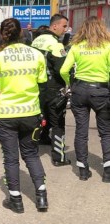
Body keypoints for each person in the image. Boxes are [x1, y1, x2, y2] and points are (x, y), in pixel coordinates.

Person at [0, 18, 48, 213]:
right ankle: (41, 198)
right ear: (22, 33)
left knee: (11, 158)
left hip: (6, 114)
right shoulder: (36, 54)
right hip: (31, 113)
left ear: (1, 33)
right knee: (31, 154)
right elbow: (42, 84)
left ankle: (16, 201)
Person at [60, 16, 110, 182]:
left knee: (81, 131)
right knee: (106, 132)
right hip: (101, 90)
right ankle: (108, 171)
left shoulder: (76, 46)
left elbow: (64, 70)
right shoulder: (107, 46)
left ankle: (82, 169)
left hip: (80, 90)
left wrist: (70, 84)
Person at [31, 14, 71, 167]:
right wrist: (68, 84)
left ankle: (41, 140)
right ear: (54, 26)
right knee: (58, 123)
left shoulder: (36, 40)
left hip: (37, 85)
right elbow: (63, 69)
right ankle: (58, 157)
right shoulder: (56, 44)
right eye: (64, 26)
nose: (65, 29)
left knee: (42, 115)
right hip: (53, 87)